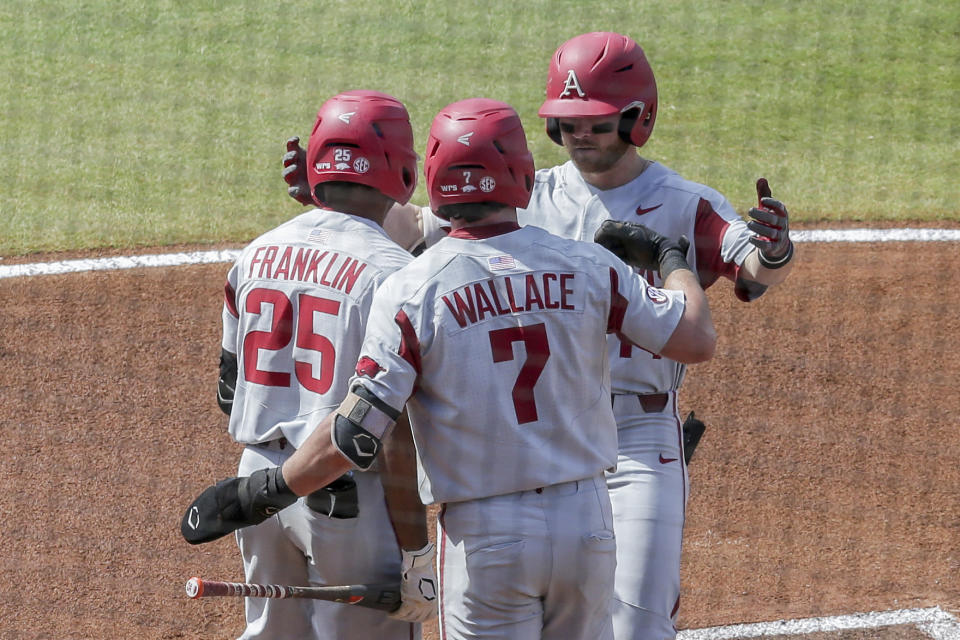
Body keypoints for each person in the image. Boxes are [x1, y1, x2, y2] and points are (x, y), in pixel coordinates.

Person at [283, 32, 796, 639]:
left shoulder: (685, 203)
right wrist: (335, 191)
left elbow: (754, 266)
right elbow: (416, 222)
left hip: (638, 435)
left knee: (637, 625)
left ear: (638, 118)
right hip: (538, 434)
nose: (581, 136)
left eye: (597, 123)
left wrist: (776, 249)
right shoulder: (528, 192)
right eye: (567, 123)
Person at [184, 97, 717, 639]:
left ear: (434, 177)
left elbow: (354, 432)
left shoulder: (412, 287)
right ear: (524, 174)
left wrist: (264, 490)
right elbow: (696, 338)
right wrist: (671, 259)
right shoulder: (589, 265)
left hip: (487, 535)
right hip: (587, 525)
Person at [194, 89, 436, 639]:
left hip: (255, 484)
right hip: (349, 500)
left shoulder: (254, 253)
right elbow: (393, 438)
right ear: (402, 170)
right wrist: (417, 552)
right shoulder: (395, 275)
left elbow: (230, 393)